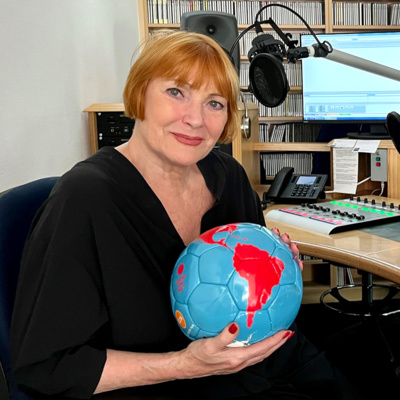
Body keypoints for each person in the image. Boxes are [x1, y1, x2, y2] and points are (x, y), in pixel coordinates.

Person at [11, 30, 358, 400]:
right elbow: (47, 368)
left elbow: (251, 299)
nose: (195, 119)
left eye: (215, 103)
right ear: (140, 93)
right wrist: (184, 365)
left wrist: (276, 273)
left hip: (262, 362)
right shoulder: (84, 199)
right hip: (164, 386)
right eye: (176, 92)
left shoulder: (228, 175)